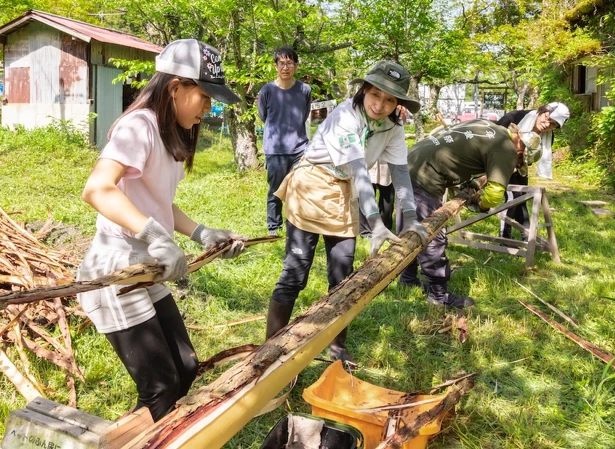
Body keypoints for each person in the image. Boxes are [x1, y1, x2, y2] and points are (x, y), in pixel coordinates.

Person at [76, 39, 247, 422]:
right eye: (204, 97)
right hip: (116, 271)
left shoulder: (166, 133)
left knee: (185, 368)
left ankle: (144, 433)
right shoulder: (139, 125)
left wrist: (201, 232)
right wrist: (155, 236)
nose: (208, 108)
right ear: (175, 88)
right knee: (161, 387)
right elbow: (97, 189)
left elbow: (156, 200)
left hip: (147, 267)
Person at [266, 61, 429, 364]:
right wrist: (376, 223)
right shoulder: (345, 116)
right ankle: (271, 348)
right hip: (312, 184)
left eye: (390, 100)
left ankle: (337, 345)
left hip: (345, 190)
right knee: (295, 272)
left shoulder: (392, 128)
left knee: (343, 276)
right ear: (364, 89)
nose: (380, 105)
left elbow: (400, 173)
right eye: (375, 95)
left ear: (398, 104)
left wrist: (411, 217)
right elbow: (360, 171)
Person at [398, 119, 542, 307]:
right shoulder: (507, 149)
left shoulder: (495, 130)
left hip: (410, 162)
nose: (517, 162)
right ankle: (439, 296)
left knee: (410, 229)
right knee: (431, 235)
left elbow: (463, 154)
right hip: (426, 174)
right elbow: (495, 193)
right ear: (521, 152)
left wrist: (470, 185)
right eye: (520, 161)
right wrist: (481, 204)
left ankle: (408, 278)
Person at [258, 48, 313, 236]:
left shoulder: (305, 90)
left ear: (296, 67)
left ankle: (297, 224)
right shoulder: (267, 90)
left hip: (300, 148)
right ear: (276, 66)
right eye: (282, 63)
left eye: (290, 63)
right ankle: (274, 226)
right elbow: (263, 116)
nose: (286, 67)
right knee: (275, 190)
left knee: (299, 188)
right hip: (275, 149)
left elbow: (304, 116)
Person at [496, 102, 570, 239]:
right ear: (542, 111)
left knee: (521, 198)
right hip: (498, 161)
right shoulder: (515, 117)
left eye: (553, 124)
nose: (547, 124)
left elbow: (533, 157)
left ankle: (527, 235)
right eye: (547, 118)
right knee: (513, 197)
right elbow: (492, 138)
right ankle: (505, 237)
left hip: (520, 166)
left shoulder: (548, 137)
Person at [359, 161, 395, 237]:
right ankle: (366, 231)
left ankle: (384, 229)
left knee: (386, 196)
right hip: (370, 161)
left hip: (383, 162)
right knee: (366, 196)